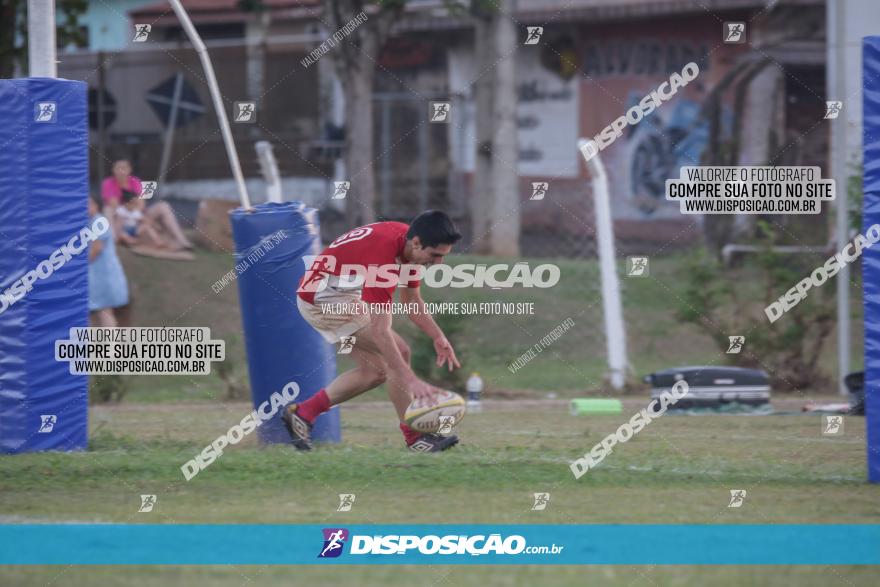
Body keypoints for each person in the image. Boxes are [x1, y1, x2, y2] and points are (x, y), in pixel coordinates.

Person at [282, 210, 463, 453]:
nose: (439, 263)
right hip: (321, 298)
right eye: (435, 255)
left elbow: (412, 302)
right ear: (418, 243)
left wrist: (438, 335)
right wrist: (409, 377)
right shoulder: (383, 258)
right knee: (400, 351)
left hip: (339, 293)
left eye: (443, 256)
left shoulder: (410, 245)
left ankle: (303, 414)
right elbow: (380, 332)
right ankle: (415, 438)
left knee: (375, 372)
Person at [102, 159, 194, 250]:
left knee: (163, 206)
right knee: (108, 209)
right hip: (120, 219)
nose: (121, 171)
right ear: (113, 170)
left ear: (129, 170)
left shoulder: (135, 181)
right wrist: (133, 210)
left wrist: (137, 215)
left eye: (124, 168)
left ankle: (181, 240)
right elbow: (114, 205)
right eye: (118, 168)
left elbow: (142, 204)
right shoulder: (108, 183)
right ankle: (113, 239)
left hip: (137, 217)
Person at [88, 194, 129, 327]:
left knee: (105, 310)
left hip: (104, 274)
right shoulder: (89, 222)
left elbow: (96, 250)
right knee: (102, 311)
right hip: (97, 274)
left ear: (96, 206)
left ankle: (111, 346)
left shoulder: (98, 223)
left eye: (89, 204)